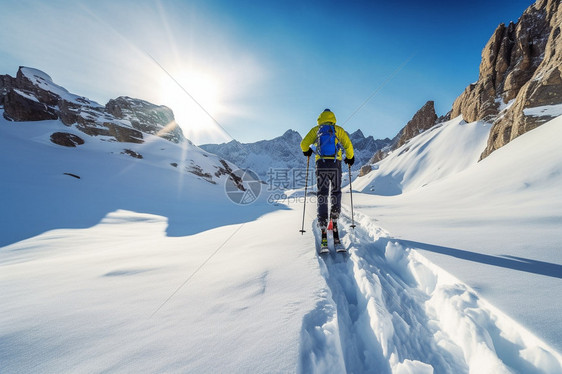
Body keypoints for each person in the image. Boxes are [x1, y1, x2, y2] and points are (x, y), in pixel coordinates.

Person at [300, 108, 354, 250]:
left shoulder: (316, 130)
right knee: (335, 192)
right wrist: (350, 158)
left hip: (321, 165)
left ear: (320, 118)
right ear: (333, 118)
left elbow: (303, 144)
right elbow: (348, 145)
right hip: (336, 164)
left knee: (322, 194)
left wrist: (308, 151)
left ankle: (323, 223)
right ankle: (334, 219)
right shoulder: (338, 130)